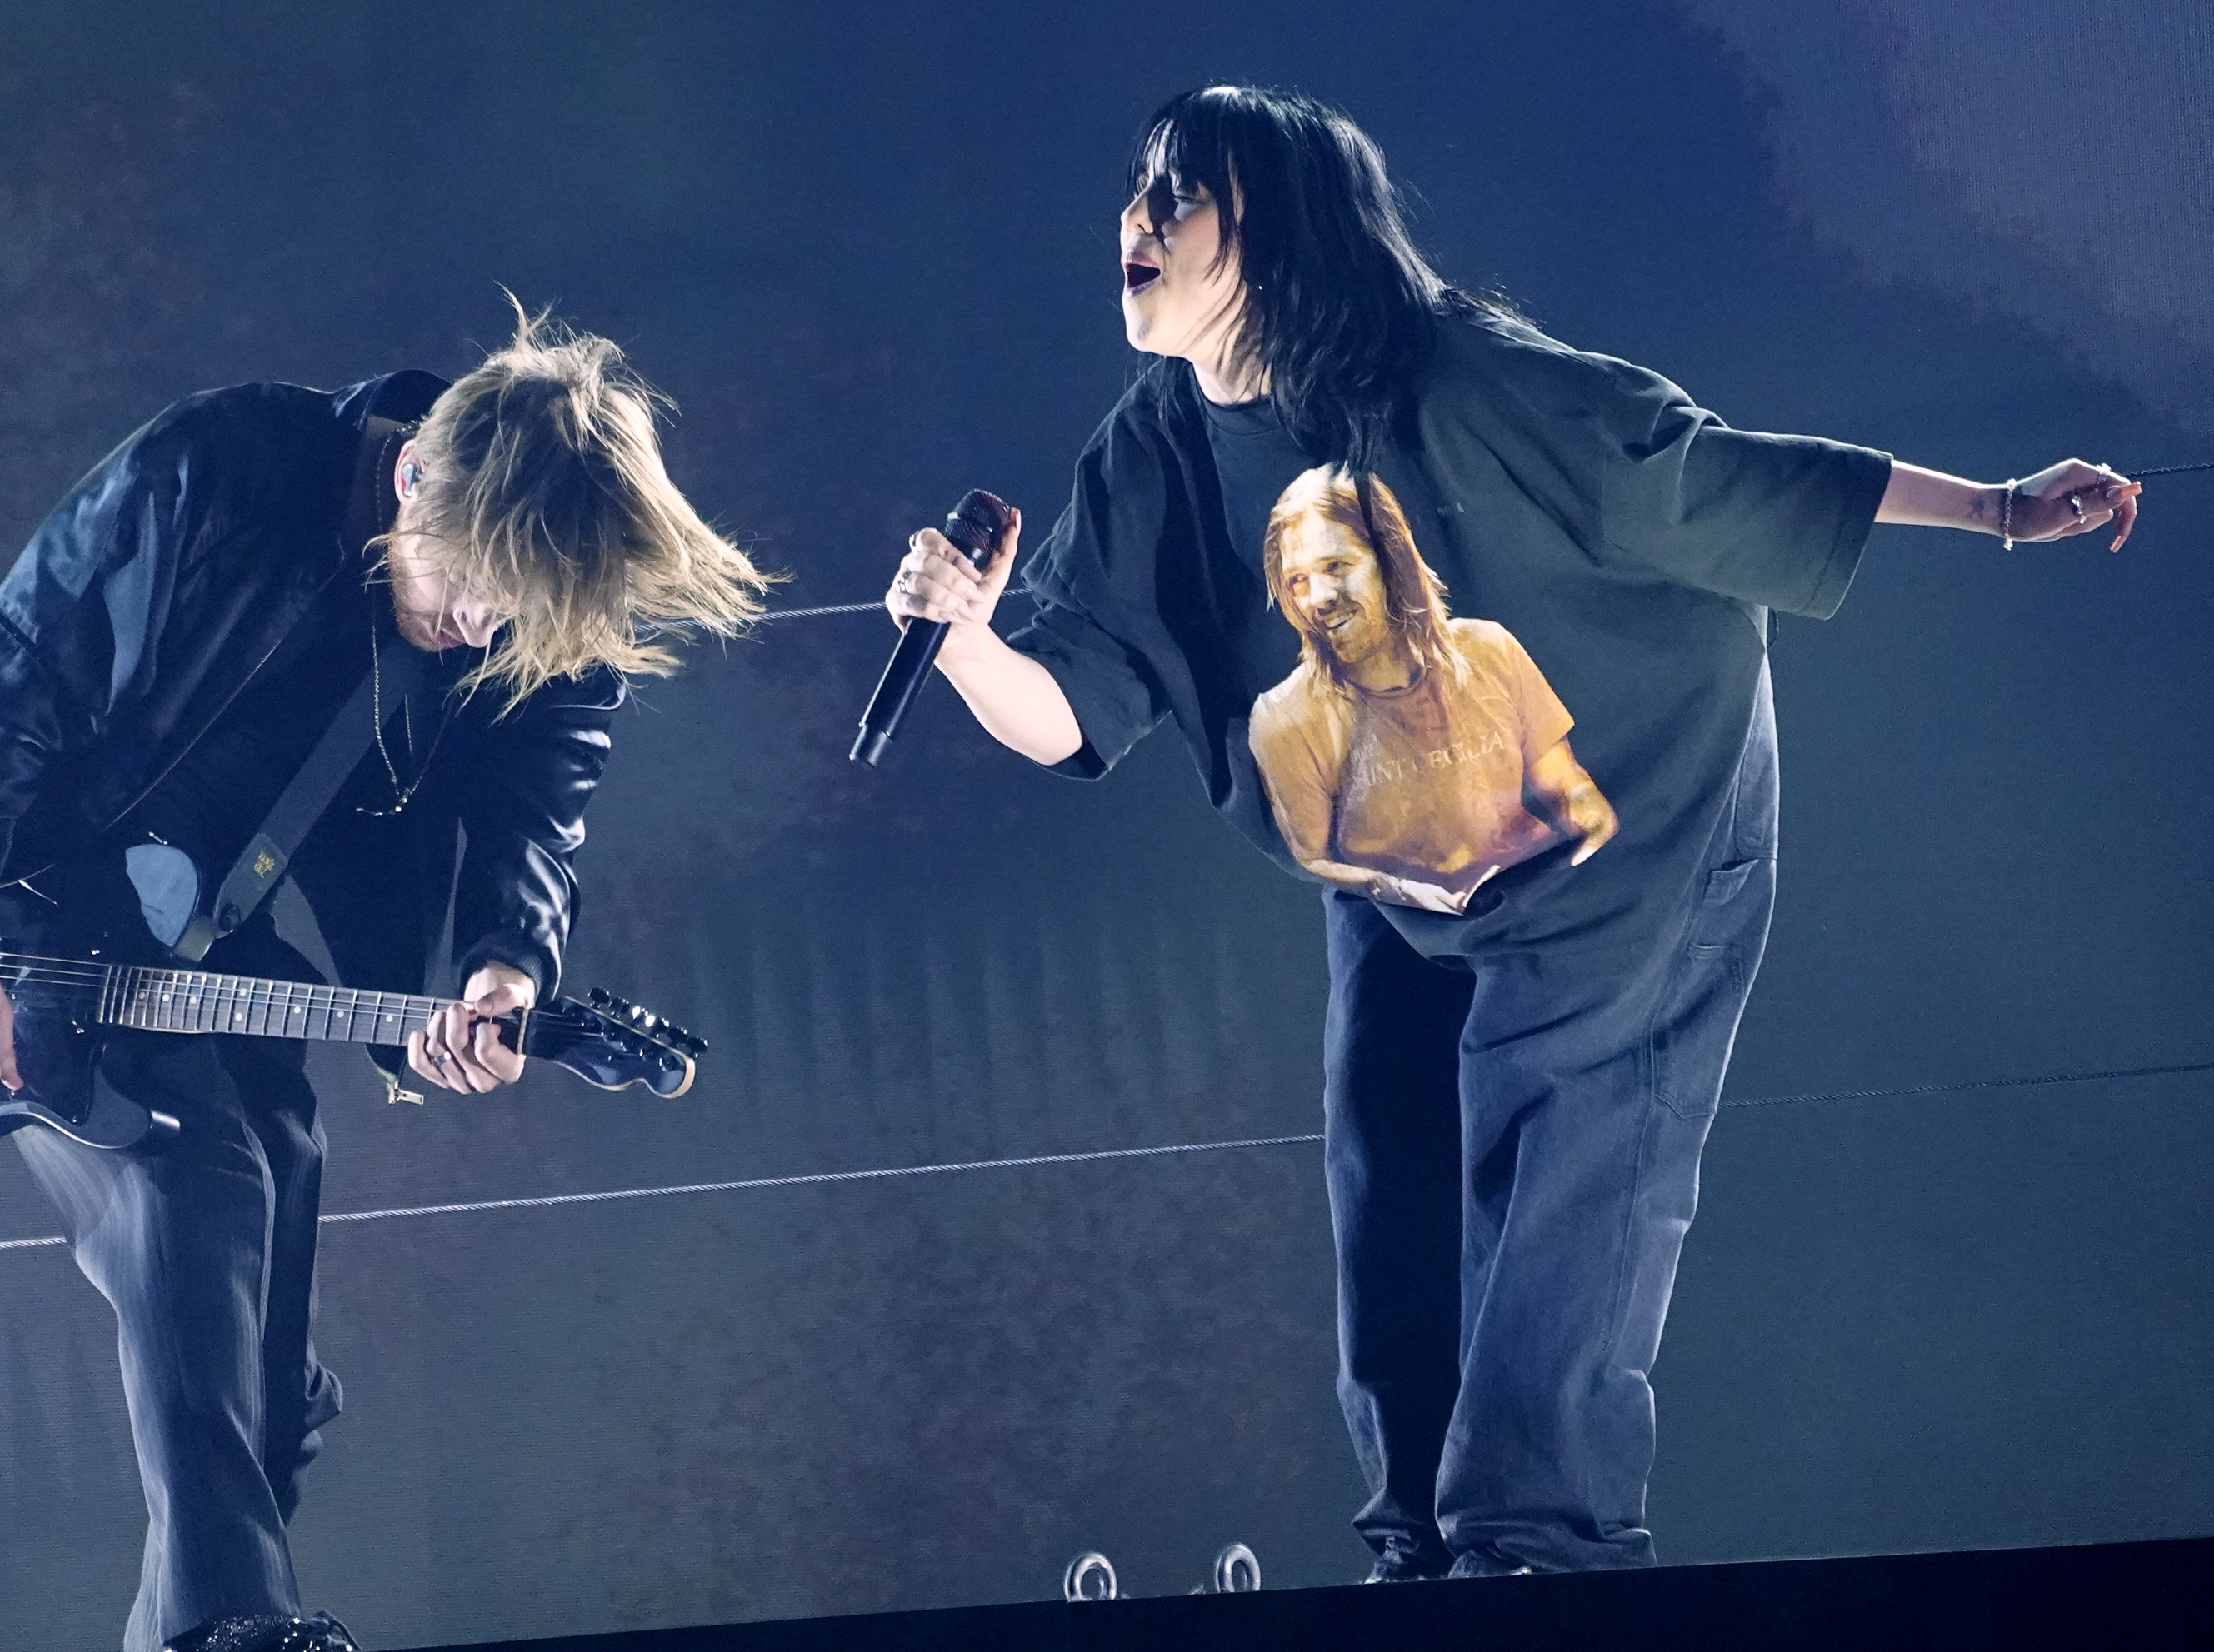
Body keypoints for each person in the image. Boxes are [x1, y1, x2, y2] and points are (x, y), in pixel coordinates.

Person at [884, 85, 2140, 1579]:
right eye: (1135, 189)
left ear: (1273, 231)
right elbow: (1072, 707)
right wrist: (967, 639)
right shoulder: (1155, 445)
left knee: (1567, 1157)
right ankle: (1421, 1540)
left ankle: (1540, 1542)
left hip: (1631, 808)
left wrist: (1998, 508)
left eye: (1179, 193)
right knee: (1389, 1153)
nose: (1135, 220)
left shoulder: (1461, 378)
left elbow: (1706, 475)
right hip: (1402, 846)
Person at [0, 303, 768, 1652]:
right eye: (472, 588)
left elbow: (537, 807)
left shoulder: (544, 588)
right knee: (195, 1172)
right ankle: (227, 1627)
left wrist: (507, 960)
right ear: (413, 475)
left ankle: (223, 1584)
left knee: (271, 1261)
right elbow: (19, 661)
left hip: (215, 938)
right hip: (34, 907)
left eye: (517, 616)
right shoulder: (220, 470)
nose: (483, 628)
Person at [1249, 463, 1617, 913]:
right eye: (1298, 581)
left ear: (1392, 560)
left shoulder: (1490, 648)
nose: (1319, 597)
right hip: (1406, 931)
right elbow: (1313, 859)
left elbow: (1563, 781)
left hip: (1535, 902)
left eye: (1335, 566)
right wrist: (1404, 894)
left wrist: (1592, 830)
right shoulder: (1283, 718)